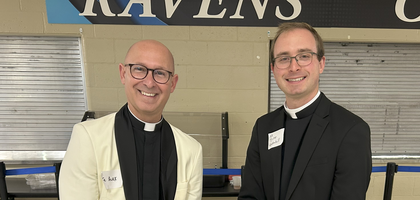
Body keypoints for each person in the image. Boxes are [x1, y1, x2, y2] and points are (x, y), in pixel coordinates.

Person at [238, 22, 372, 200]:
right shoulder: (263, 127)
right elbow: (250, 196)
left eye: (304, 56)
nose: (294, 67)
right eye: (284, 58)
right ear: (273, 69)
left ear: (321, 63)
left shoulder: (350, 130)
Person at [59, 40, 203, 200]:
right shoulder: (88, 138)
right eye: (139, 69)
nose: (149, 82)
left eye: (160, 73)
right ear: (123, 73)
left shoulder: (191, 151)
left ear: (172, 84)